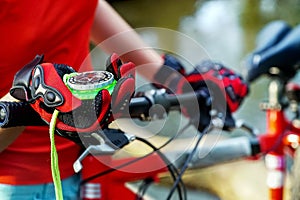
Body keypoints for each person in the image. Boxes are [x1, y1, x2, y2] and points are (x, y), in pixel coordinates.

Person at [0, 0, 248, 199]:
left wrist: (171, 78)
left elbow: (83, 6)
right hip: (17, 185)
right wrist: (24, 97)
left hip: (89, 158)